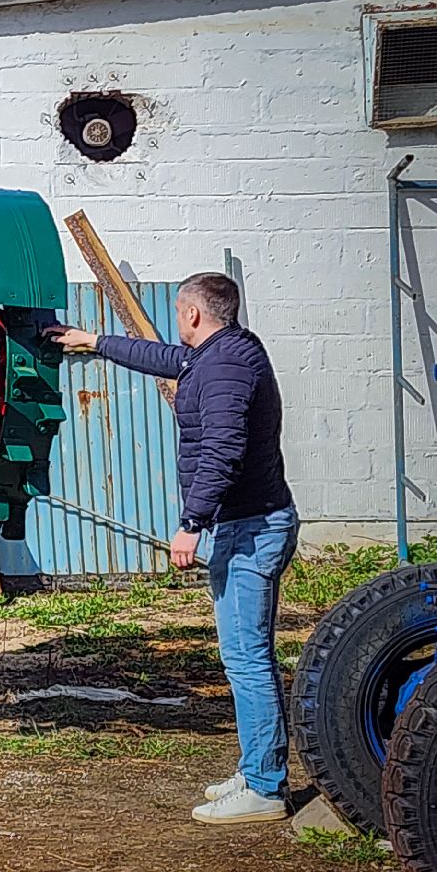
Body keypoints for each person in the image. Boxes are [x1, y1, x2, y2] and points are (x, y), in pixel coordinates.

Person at [48, 272, 297, 826]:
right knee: (244, 658)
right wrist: (95, 342)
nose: (175, 325)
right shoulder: (223, 351)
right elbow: (164, 358)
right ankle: (257, 768)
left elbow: (224, 449)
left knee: (247, 659)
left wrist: (191, 522)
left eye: (178, 313)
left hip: (252, 528)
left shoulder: (227, 365)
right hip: (244, 524)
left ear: (191, 314)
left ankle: (264, 787)